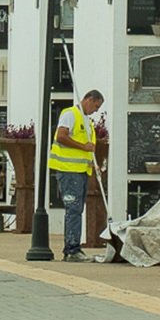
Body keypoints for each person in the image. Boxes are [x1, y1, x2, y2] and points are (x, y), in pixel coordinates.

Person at [47, 89, 103, 261]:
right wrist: (82, 147)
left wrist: (93, 163)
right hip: (68, 170)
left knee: (77, 209)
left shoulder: (86, 121)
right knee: (73, 209)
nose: (96, 110)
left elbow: (88, 149)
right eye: (96, 105)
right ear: (88, 99)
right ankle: (72, 249)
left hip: (81, 171)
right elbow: (61, 136)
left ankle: (74, 247)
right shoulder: (70, 114)